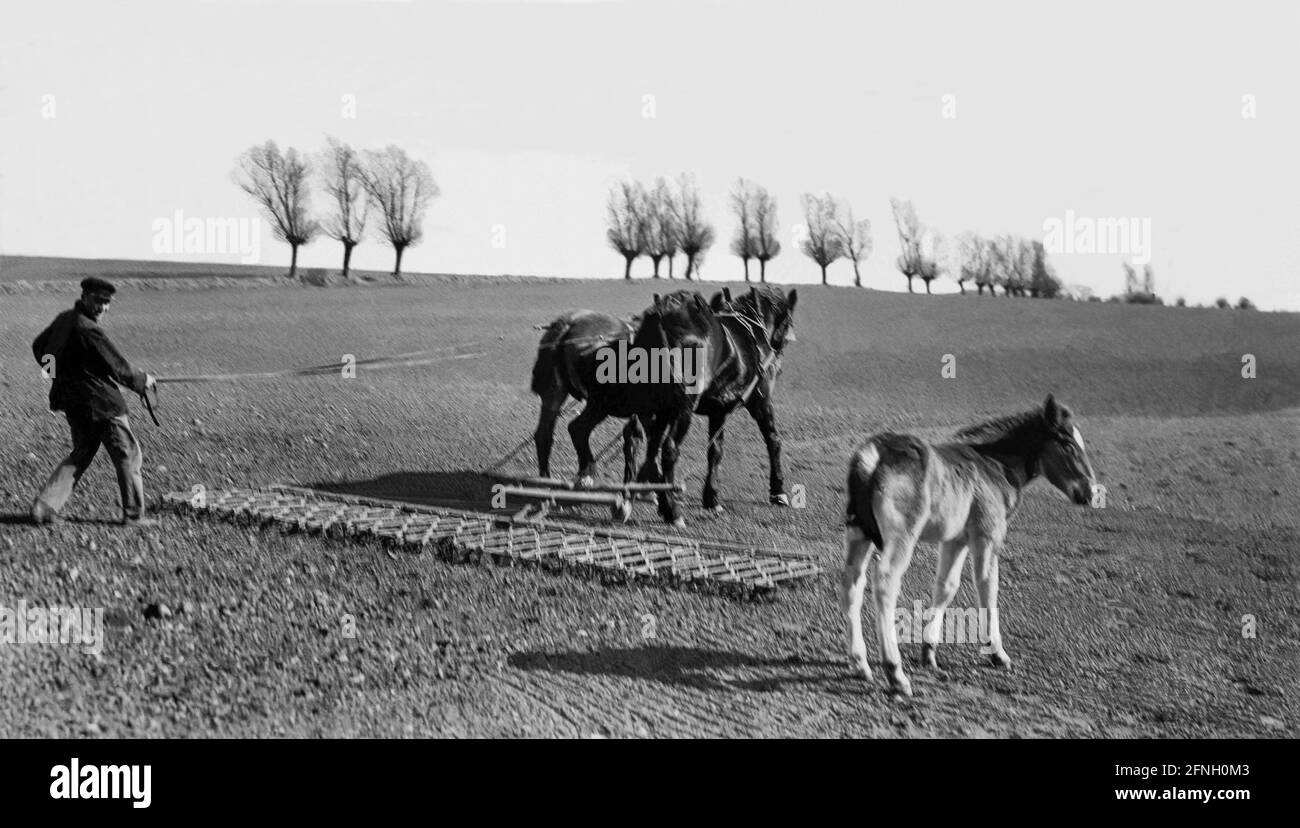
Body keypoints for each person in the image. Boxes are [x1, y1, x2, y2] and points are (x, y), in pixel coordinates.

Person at [30, 277, 158, 527]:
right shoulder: (89, 329)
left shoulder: (65, 319)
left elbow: (39, 347)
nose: (103, 307)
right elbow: (117, 366)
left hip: (72, 401)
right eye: (98, 301)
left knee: (82, 451)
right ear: (85, 296)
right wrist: (144, 380)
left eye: (107, 303)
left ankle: (44, 507)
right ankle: (134, 516)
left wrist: (57, 374)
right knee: (127, 454)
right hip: (101, 405)